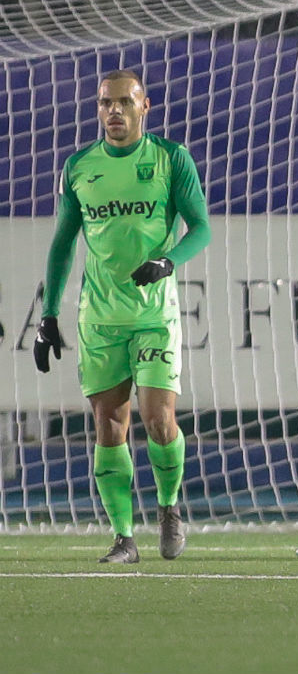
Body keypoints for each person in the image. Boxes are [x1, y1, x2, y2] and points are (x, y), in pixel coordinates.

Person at [36, 69, 211, 563]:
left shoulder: (170, 159)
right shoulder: (78, 167)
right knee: (109, 424)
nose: (113, 111)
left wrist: (169, 261)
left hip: (155, 315)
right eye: (105, 103)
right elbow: (63, 244)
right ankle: (123, 537)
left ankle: (170, 508)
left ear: (144, 107)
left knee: (159, 420)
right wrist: (48, 314)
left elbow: (201, 227)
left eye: (123, 103)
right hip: (100, 318)